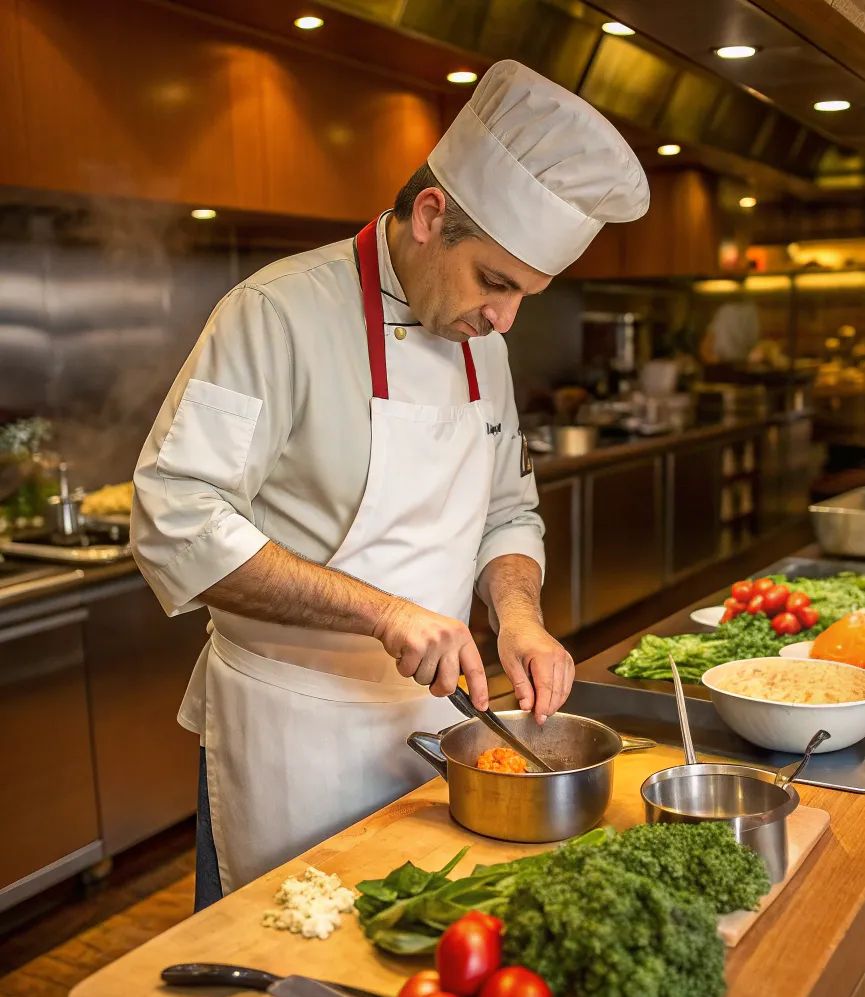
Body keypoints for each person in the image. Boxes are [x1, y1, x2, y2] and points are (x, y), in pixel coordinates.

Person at [130, 60, 650, 907]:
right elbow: (175, 517)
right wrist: (381, 611)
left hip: (439, 727)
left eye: (527, 294)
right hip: (293, 732)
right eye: (496, 282)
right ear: (431, 215)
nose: (506, 319)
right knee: (282, 967)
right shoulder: (275, 313)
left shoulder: (485, 339)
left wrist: (517, 618)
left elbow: (507, 507)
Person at [699, 294, 760, 365]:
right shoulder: (725, 311)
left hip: (740, 364)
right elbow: (705, 347)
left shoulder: (750, 311)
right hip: (726, 364)